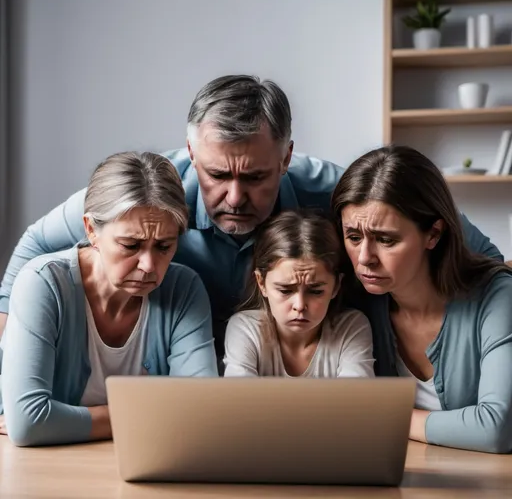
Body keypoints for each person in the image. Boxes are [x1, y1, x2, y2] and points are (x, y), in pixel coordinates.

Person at [0, 75, 504, 364]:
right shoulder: (146, 194)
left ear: (286, 157)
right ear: (192, 153)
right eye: (218, 174)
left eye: (257, 176)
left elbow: (478, 252)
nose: (235, 196)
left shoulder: (335, 191)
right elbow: (29, 252)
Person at [0, 152, 217, 447]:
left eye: (164, 246)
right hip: (44, 466)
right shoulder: (42, 283)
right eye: (131, 245)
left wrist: (67, 420)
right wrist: (148, 414)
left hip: (146, 461)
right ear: (91, 230)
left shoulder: (185, 289)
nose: (149, 266)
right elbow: (29, 423)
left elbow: (201, 412)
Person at [331, 144, 512, 454]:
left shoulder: (498, 296)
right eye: (353, 237)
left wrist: (381, 416)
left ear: (434, 234)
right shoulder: (355, 300)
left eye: (386, 239)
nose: (364, 259)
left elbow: (497, 428)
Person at [224, 210, 374, 378]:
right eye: (285, 290)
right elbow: (239, 400)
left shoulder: (350, 327)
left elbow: (357, 400)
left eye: (316, 291)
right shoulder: (246, 328)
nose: (300, 306)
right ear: (261, 283)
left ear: (336, 286)